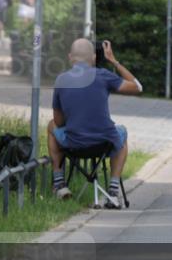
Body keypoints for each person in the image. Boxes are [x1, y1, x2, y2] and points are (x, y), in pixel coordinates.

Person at [47, 39, 143, 207]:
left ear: (70, 57)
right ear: (93, 57)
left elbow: (59, 122)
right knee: (122, 132)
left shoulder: (61, 80)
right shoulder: (104, 75)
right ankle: (113, 191)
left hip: (74, 144)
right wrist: (114, 61)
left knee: (51, 126)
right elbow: (137, 87)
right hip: (104, 143)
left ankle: (59, 183)